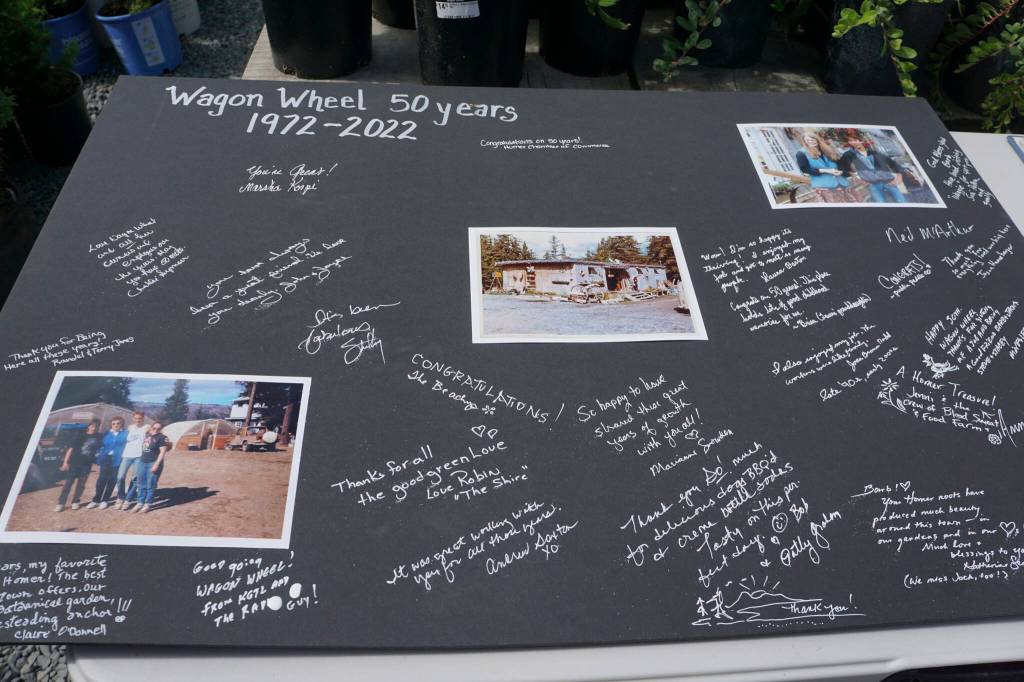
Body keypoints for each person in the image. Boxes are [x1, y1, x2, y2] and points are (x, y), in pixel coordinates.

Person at [837, 130, 908, 204]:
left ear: (861, 140)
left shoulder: (874, 152)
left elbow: (891, 163)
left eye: (856, 139)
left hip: (889, 182)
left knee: (902, 203)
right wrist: (857, 178)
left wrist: (899, 177)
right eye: (851, 141)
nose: (854, 142)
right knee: (881, 205)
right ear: (849, 143)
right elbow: (842, 169)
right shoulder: (848, 155)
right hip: (873, 185)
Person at [794, 131, 856, 203]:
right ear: (805, 142)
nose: (811, 141)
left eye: (813, 139)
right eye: (808, 140)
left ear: (817, 139)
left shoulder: (827, 149)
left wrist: (841, 172)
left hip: (841, 182)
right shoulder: (801, 153)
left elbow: (839, 163)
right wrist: (826, 171)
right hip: (825, 187)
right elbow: (805, 169)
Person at [123, 421, 171, 514]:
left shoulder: (162, 438)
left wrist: (156, 464)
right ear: (151, 427)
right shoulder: (147, 435)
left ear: (161, 429)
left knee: (151, 484)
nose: (156, 430)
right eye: (154, 428)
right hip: (142, 462)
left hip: (153, 463)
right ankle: (140, 502)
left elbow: (162, 452)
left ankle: (147, 504)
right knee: (141, 484)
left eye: (158, 428)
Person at [54, 419, 102, 512]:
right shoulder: (80, 435)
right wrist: (65, 462)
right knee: (68, 483)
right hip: (74, 463)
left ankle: (75, 502)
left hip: (87, 464)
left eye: (96, 426)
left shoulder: (99, 437)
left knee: (81, 484)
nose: (94, 428)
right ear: (89, 426)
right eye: (92, 426)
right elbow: (70, 449)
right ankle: (61, 503)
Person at [87, 417, 127, 509]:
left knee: (112, 480)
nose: (116, 425)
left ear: (122, 424)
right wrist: (98, 454)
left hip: (117, 459)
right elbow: (99, 444)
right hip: (105, 459)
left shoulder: (125, 433)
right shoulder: (106, 433)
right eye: (113, 423)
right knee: (101, 480)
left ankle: (105, 500)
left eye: (118, 423)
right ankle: (96, 500)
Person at [115, 411, 146, 510]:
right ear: (133, 418)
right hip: (127, 455)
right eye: (136, 418)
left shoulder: (146, 428)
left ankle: (128, 499)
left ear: (143, 418)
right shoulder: (129, 428)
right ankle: (120, 497)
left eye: (140, 418)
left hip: (139, 456)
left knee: (135, 478)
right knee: (120, 477)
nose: (138, 420)